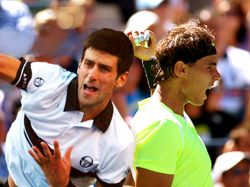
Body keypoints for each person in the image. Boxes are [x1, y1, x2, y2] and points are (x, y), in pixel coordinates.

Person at [1, 28, 135, 187]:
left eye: (104, 68)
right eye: (89, 64)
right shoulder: (49, 79)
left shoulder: (120, 143)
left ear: (121, 79)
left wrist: (61, 185)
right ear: (79, 66)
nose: (92, 75)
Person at [128, 20, 221, 186]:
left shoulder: (169, 115)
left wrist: (149, 59)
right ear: (182, 69)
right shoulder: (162, 124)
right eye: (210, 67)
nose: (217, 76)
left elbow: (162, 91)